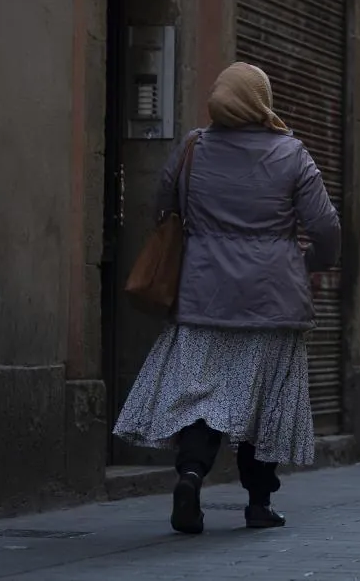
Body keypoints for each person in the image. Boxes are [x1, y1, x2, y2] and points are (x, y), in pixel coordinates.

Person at [113, 62, 341, 534]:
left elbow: (161, 205)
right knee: (265, 403)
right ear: (261, 100)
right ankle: (258, 503)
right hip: (273, 301)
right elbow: (325, 228)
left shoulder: (193, 147)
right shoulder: (292, 154)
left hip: (202, 297)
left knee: (203, 399)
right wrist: (308, 260)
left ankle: (191, 475)